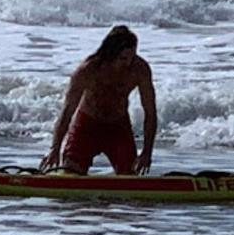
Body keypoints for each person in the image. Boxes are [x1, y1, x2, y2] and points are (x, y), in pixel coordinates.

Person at [39, 25, 158, 175]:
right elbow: (67, 111)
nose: (128, 63)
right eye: (123, 58)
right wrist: (54, 149)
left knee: (128, 176)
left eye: (132, 57)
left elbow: (150, 113)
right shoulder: (87, 71)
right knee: (70, 173)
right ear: (110, 53)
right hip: (87, 125)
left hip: (118, 127)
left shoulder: (139, 70)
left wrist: (147, 152)